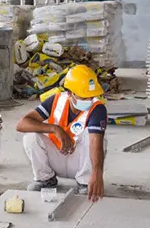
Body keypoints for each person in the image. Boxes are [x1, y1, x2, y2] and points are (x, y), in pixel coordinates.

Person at [16, 64, 107, 202]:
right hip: (56, 158)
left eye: (91, 96)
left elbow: (95, 141)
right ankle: (45, 179)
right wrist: (55, 129)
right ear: (70, 93)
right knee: (30, 136)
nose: (88, 101)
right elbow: (22, 124)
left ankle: (85, 182)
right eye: (83, 97)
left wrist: (97, 173)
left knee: (98, 139)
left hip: (78, 162)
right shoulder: (57, 100)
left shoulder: (97, 108)